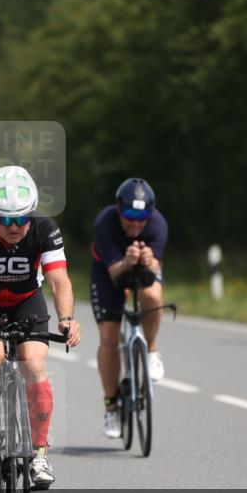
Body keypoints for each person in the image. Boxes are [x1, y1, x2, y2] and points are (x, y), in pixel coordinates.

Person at [0, 165, 81, 487]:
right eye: (5, 219)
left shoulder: (45, 227)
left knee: (35, 365)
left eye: (21, 219)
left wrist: (66, 319)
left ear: (31, 214)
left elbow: (58, 279)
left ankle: (39, 455)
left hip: (26, 299)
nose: (14, 226)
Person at [90, 178, 168, 439]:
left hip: (141, 268)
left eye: (142, 217)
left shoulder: (158, 225)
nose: (136, 223)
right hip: (109, 272)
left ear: (151, 214)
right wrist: (126, 261)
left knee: (152, 295)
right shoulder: (105, 223)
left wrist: (149, 262)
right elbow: (114, 274)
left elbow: (156, 269)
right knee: (109, 337)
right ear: (119, 210)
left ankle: (152, 350)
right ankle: (111, 405)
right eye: (130, 216)